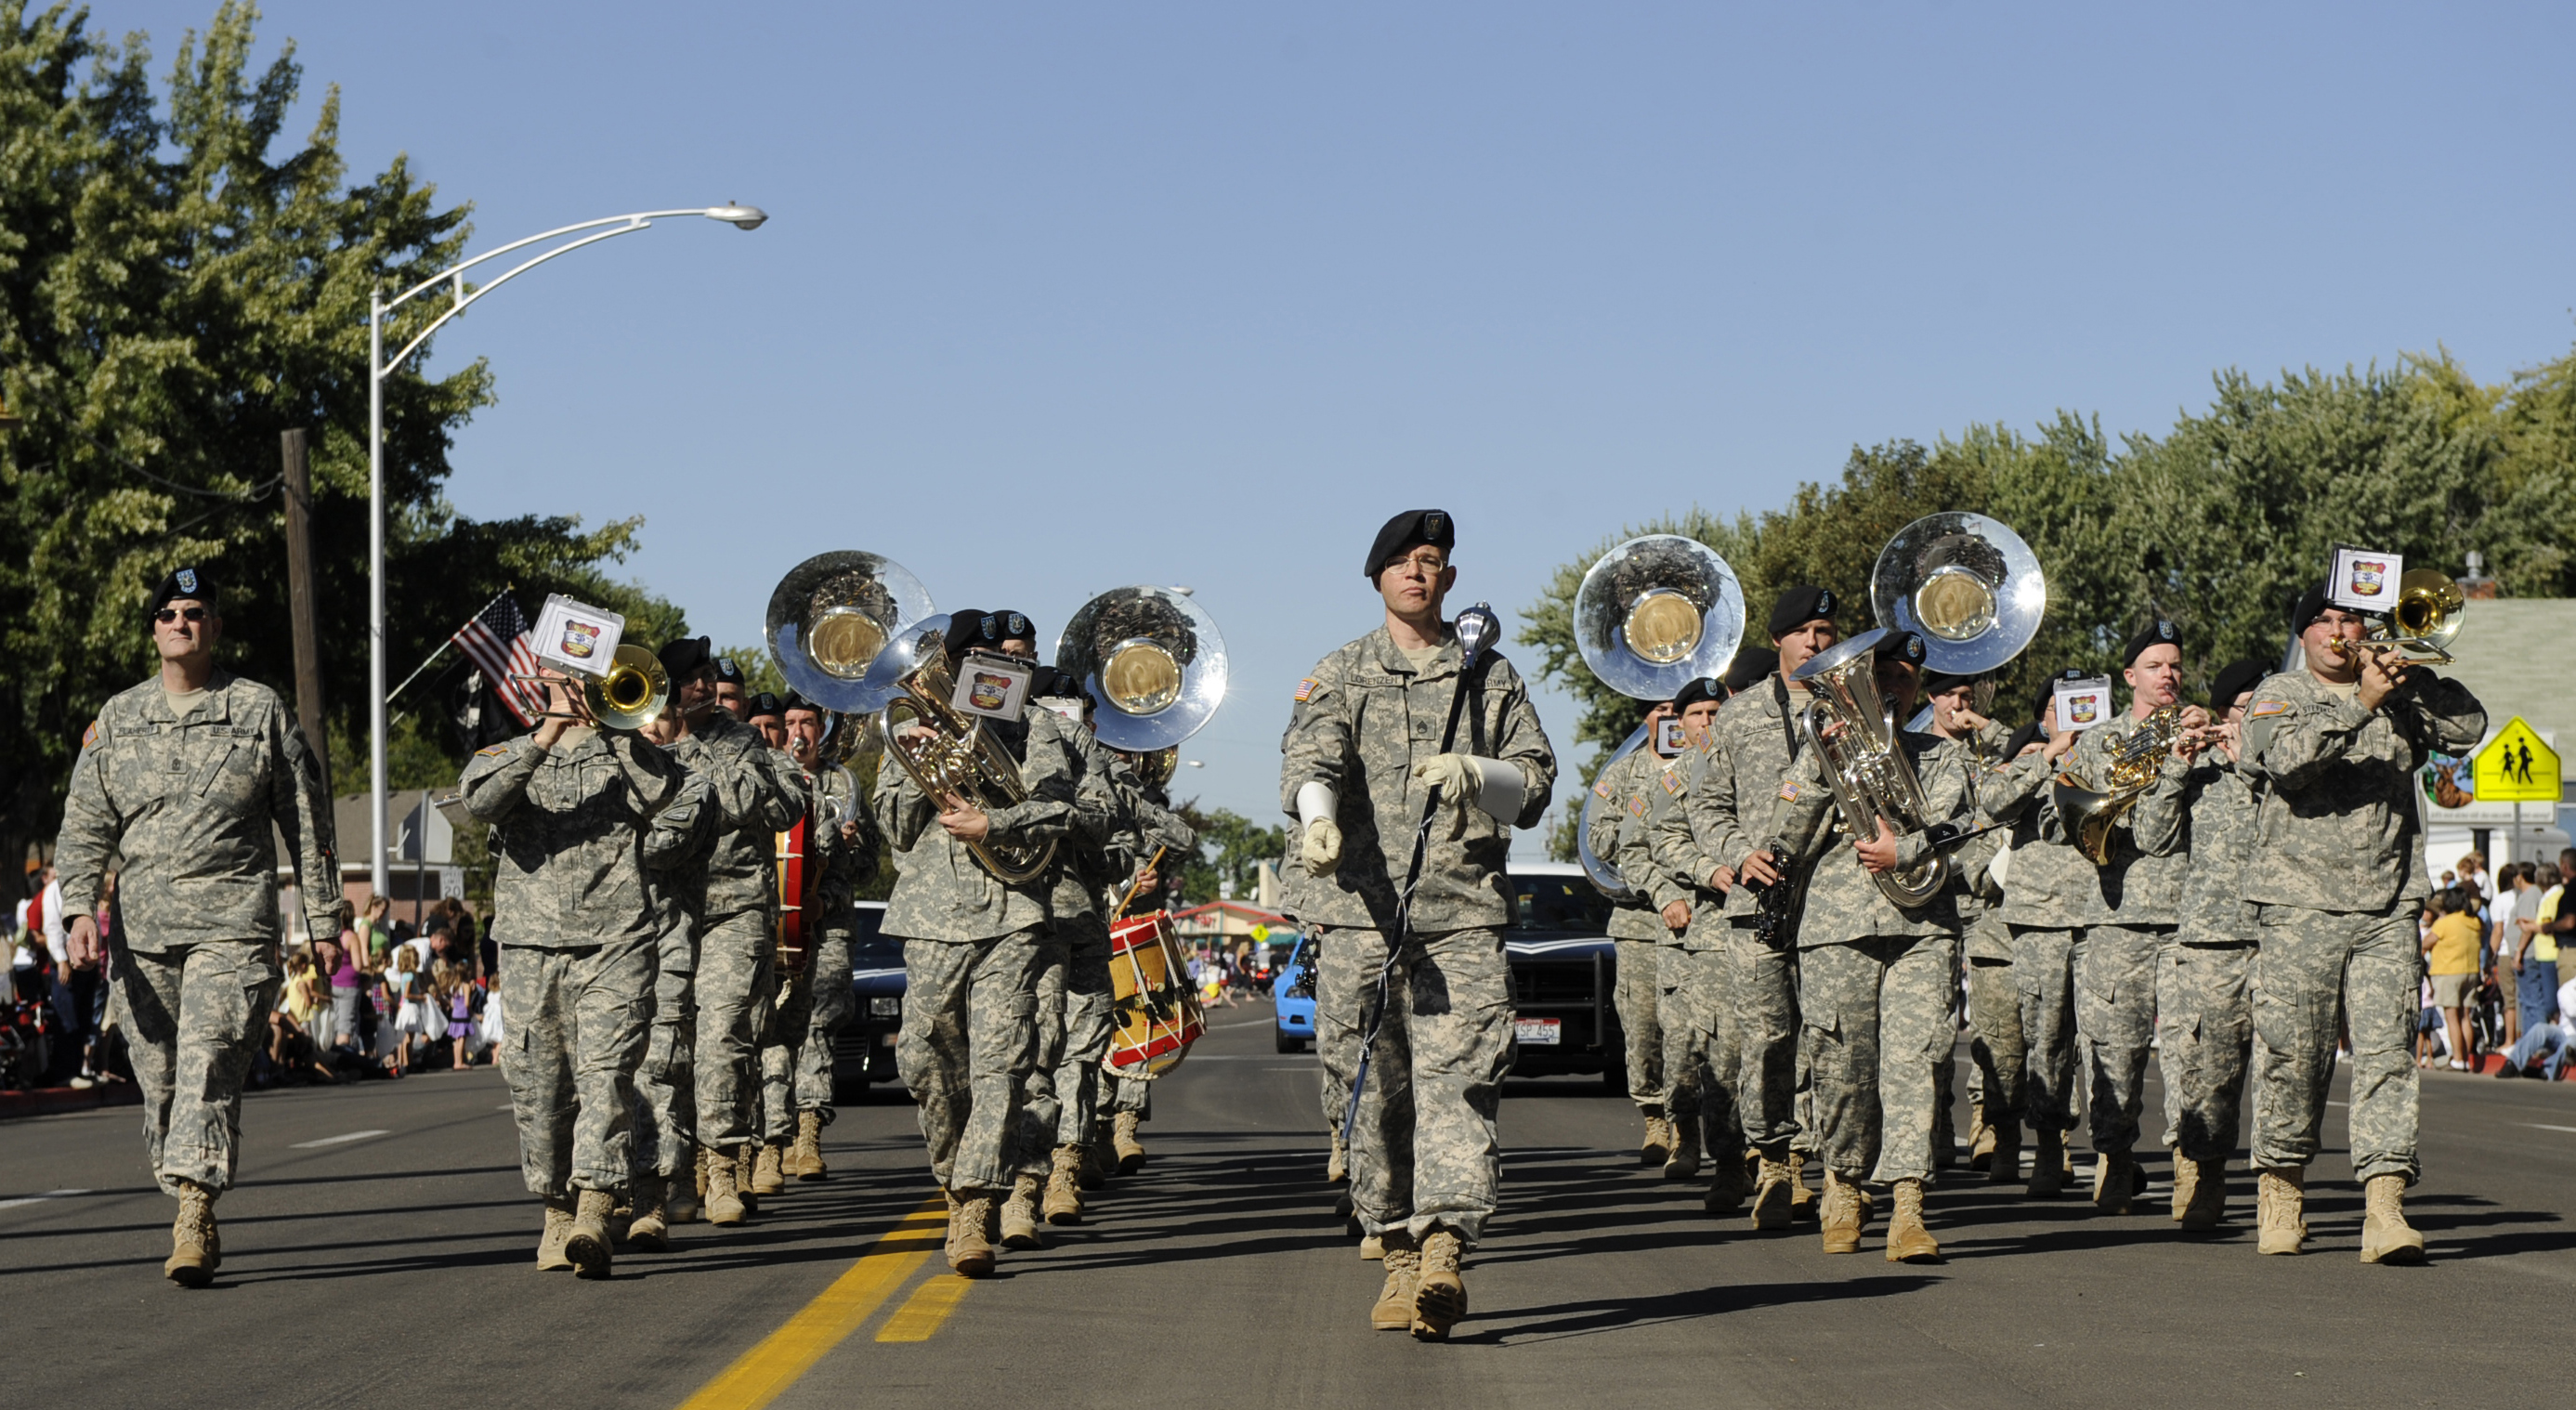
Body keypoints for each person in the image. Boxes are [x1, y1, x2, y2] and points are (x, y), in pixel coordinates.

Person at [1281, 509, 1556, 1339]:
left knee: (1458, 1085)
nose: (1417, 574)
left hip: (1460, 915)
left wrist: (1480, 771)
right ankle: (1394, 1250)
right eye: (1402, 563)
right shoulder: (1340, 670)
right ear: (1377, 579)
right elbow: (1310, 759)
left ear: (1449, 580)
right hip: (1361, 917)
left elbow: (1535, 788)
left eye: (1431, 561)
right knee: (1371, 1097)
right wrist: (1317, 818)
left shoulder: (1490, 676)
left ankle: (1441, 1247)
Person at [50, 566, 342, 1286]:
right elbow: (84, 825)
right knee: (164, 1088)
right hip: (142, 940)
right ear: (154, 628)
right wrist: (79, 909)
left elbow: (305, 821)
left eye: (197, 611)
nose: (183, 622)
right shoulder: (118, 719)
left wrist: (326, 918)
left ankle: (194, 1210)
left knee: (209, 1060)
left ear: (215, 626)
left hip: (233, 926)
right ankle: (186, 1186)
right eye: (170, 613)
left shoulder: (257, 710)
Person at [2238, 584, 2484, 1262]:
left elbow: (2468, 728)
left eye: (2349, 618)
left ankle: (2384, 1208)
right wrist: (2363, 700)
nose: (2339, 631)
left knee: (2387, 1058)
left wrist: (2413, 674)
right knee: (2295, 1056)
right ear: (2303, 635)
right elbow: (2282, 762)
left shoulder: (2398, 688)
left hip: (2386, 903)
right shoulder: (2277, 693)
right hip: (2298, 905)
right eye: (2323, 622)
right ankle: (2281, 1192)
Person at [459, 659, 683, 1279]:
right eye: (564, 672)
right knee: (539, 1089)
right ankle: (555, 1207)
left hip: (616, 939)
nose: (577, 684)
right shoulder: (505, 749)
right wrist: (547, 735)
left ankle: (593, 1205)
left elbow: (667, 796)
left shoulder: (631, 751)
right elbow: (480, 801)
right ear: (541, 680)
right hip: (530, 947)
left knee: (606, 1075)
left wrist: (616, 731)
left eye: (587, 673)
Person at [875, 608, 1079, 1277]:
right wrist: (930, 756)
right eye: (979, 659)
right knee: (927, 1060)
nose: (999, 670)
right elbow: (897, 826)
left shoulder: (1038, 725)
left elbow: (1058, 804)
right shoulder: (908, 723)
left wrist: (997, 815)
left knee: (1001, 1066)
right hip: (932, 915)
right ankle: (953, 1171)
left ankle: (973, 1204)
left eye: (1010, 660)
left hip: (1015, 912)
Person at [1762, 628, 1965, 1260]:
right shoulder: (1816, 750)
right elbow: (1783, 840)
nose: (1893, 686)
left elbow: (1958, 835)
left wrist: (1901, 849)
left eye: (1905, 678)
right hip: (1836, 928)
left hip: (1920, 928)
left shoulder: (1941, 757)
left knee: (1915, 1067)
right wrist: (1821, 766)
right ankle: (1842, 1186)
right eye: (1881, 676)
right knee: (1842, 1070)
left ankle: (1908, 1208)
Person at [1660, 586, 1846, 1228]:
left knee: (1829, 1038)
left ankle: (1820, 1164)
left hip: (1834, 903)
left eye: (1826, 631)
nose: (1817, 642)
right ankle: (1770, 1159)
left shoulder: (1851, 710)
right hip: (1754, 906)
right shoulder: (1737, 719)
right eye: (1805, 632)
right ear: (1780, 640)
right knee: (1766, 1040)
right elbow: (1704, 807)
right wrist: (1738, 857)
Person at [2059, 622, 2204, 1212]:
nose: (2168, 674)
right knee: (2114, 1052)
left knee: (2189, 1049)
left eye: (2174, 664)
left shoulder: (2199, 730)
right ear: (2129, 677)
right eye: (2155, 665)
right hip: (2117, 916)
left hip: (2188, 915)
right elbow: (2069, 812)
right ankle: (2114, 1158)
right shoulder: (2099, 742)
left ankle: (2189, 1165)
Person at [661, 636, 804, 1227]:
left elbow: (755, 799)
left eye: (706, 676)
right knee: (666, 1046)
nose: (702, 685)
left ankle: (721, 1168)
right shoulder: (632, 737)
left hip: (734, 906)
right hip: (663, 910)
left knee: (723, 1038)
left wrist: (679, 759)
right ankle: (669, 1173)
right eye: (691, 677)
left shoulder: (737, 737)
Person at [1627, 678, 1746, 1210]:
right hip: (1696, 933)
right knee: (1693, 1049)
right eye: (1696, 714)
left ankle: (1771, 1159)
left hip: (1764, 927)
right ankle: (1695, 1141)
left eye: (1715, 711)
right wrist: (1666, 894)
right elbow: (1638, 850)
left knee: (1767, 1049)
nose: (1707, 722)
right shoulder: (1671, 781)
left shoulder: (1753, 769)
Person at [1976, 674, 2090, 1197]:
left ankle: (2084, 1146)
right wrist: (2045, 758)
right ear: (2044, 717)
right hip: (2036, 920)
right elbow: (1993, 801)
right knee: (2031, 1040)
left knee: (2091, 1044)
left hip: (2098, 915)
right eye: (2059, 708)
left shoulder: (2108, 756)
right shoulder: (2027, 762)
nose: (2070, 716)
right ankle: (2022, 1139)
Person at [774, 693, 880, 1186]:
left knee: (818, 1020)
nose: (799, 731)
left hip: (829, 924)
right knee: (773, 1025)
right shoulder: (769, 776)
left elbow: (867, 868)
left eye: (808, 723)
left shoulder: (844, 783)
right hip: (775, 923)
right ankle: (770, 1135)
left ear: (823, 728)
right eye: (790, 722)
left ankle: (809, 1132)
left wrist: (853, 844)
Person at [1918, 669, 2016, 1182]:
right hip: (1931, 896)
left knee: (1990, 1019)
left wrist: (1989, 727)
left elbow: (2033, 761)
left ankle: (1986, 1124)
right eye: (1950, 695)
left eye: (1967, 694)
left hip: (1985, 896)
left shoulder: (1989, 748)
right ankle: (1933, 1124)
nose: (1960, 703)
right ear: (1931, 698)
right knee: (1933, 1018)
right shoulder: (1915, 751)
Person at [1583, 694, 1678, 1167]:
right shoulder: (1621, 774)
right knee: (1643, 1028)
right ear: (1646, 716)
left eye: (1677, 708)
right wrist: (1643, 814)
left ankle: (1691, 1122)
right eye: (1660, 709)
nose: (1670, 717)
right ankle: (1656, 1116)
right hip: (1640, 921)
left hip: (1695, 918)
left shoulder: (1706, 764)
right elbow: (1597, 839)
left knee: (1695, 1029)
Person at [2423, 889, 2483, 1073]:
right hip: (2471, 971)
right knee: (2465, 1015)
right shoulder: (2474, 922)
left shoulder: (2445, 923)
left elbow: (2425, 942)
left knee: (2451, 1017)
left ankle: (2457, 1059)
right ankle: (2465, 1058)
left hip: (2449, 971)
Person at [2514, 863, 2562, 1038]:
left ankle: (2547, 1039)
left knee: (2551, 1003)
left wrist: (2529, 926)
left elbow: (2546, 926)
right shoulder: (2549, 895)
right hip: (2546, 953)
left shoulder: (2551, 897)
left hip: (2548, 954)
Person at [2497, 975, 2576, 1080]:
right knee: (2540, 1029)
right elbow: (2571, 1011)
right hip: (2565, 1033)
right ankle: (2513, 1064)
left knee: (2569, 1044)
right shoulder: (2567, 989)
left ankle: (2547, 1072)